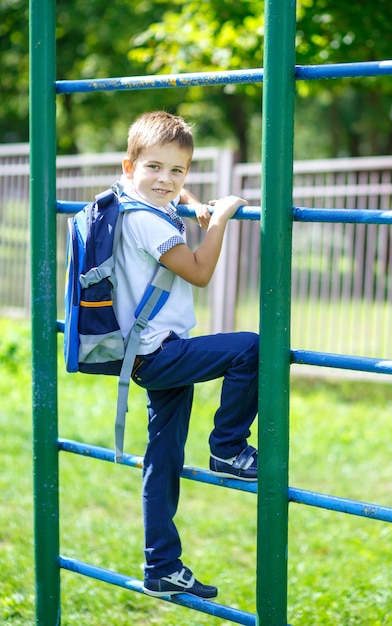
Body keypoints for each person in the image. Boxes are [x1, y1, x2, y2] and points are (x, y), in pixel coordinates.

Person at [113, 111, 259, 599]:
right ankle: (228, 447)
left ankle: (162, 567)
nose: (166, 180)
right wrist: (218, 220)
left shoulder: (127, 199)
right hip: (161, 353)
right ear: (130, 165)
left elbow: (166, 193)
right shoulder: (148, 223)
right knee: (249, 349)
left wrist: (193, 202)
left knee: (163, 458)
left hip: (144, 353)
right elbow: (198, 272)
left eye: (178, 171)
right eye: (155, 168)